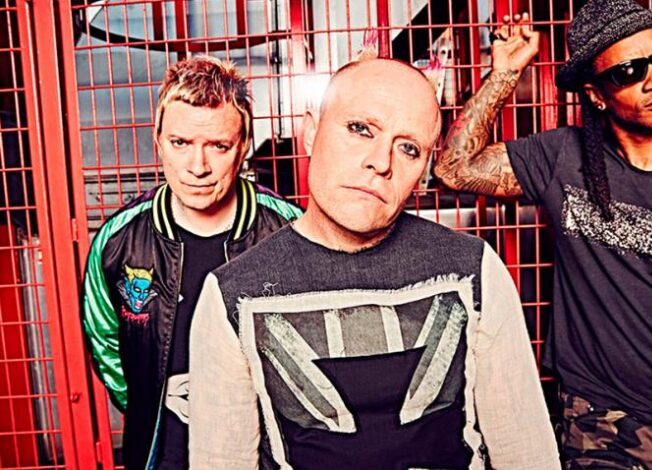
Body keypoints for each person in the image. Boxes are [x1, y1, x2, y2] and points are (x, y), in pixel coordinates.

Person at [433, 1, 652, 468]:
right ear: (596, 95)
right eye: (629, 71)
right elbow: (454, 169)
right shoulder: (563, 158)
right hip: (596, 419)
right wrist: (505, 73)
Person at [188, 58, 559, 469]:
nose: (381, 162)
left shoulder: (473, 269)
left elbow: (526, 453)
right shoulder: (232, 293)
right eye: (360, 129)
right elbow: (220, 461)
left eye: (408, 148)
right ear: (311, 132)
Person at [81, 56, 301, 470]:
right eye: (181, 143)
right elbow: (105, 342)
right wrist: (154, 395)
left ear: (243, 146)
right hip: (162, 449)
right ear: (159, 140)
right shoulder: (118, 240)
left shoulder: (290, 231)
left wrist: (240, 398)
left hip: (267, 451)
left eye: (218, 146)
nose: (197, 167)